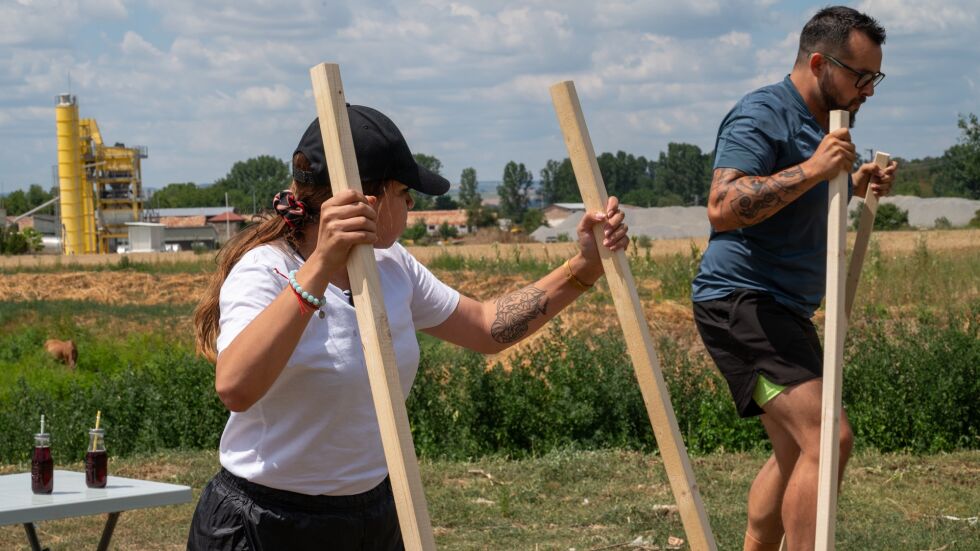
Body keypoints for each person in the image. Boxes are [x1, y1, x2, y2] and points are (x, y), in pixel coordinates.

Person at [187, 104, 629, 550]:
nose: (412, 204)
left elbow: (485, 327)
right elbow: (236, 388)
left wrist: (584, 267)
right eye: (404, 192)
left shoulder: (391, 265)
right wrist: (321, 265)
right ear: (369, 202)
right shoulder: (267, 271)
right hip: (266, 525)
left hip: (372, 516)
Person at [690, 6, 898, 551]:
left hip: (781, 310)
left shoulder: (825, 126)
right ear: (817, 62)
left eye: (875, 77)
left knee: (795, 451)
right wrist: (815, 168)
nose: (868, 90)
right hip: (742, 304)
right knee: (828, 439)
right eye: (860, 77)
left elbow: (800, 197)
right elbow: (723, 204)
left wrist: (851, 183)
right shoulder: (762, 114)